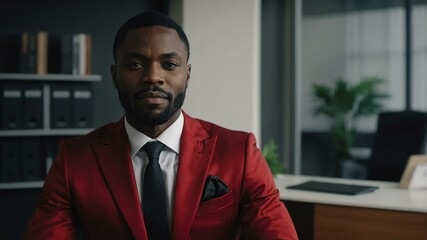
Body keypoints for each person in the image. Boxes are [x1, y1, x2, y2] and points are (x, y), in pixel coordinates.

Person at [23, 11, 298, 240]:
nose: (153, 77)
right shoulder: (74, 159)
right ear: (114, 75)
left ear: (187, 75)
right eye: (135, 64)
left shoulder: (240, 152)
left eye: (169, 64)